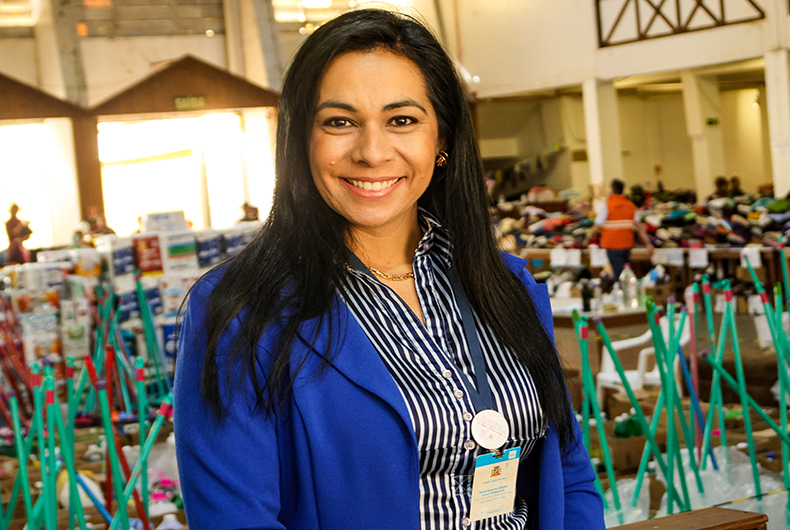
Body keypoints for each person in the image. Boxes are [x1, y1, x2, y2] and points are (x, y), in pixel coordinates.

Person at [174, 9, 604, 530]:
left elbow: (569, 477)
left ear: (442, 140)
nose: (372, 152)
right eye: (339, 122)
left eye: (402, 120)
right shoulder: (241, 310)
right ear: (300, 140)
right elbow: (236, 520)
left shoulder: (505, 286)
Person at [584, 179, 654, 279]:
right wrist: (648, 243)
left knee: (619, 274)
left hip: (612, 245)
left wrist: (588, 238)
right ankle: (625, 285)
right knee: (624, 270)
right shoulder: (630, 205)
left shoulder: (607, 205)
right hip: (627, 244)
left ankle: (622, 287)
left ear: (611, 190)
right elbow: (640, 227)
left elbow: (597, 225)